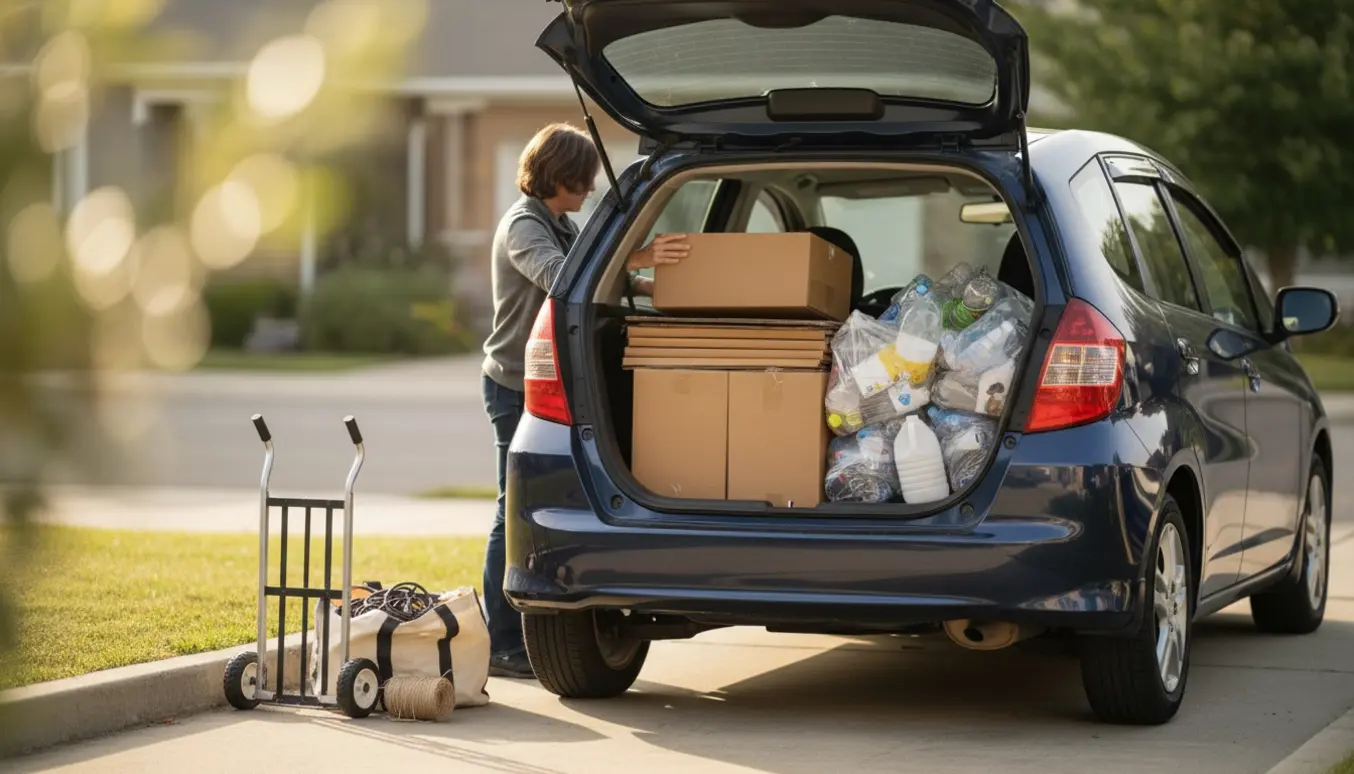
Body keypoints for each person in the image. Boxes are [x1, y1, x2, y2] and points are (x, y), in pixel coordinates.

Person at [480, 122, 689, 678]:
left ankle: (515, 631)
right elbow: (563, 279)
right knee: (511, 508)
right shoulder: (525, 226)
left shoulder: (560, 222)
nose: (590, 190)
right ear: (560, 176)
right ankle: (502, 643)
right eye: (584, 180)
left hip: (547, 380)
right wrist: (639, 256)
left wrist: (657, 286)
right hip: (511, 385)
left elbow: (603, 280)